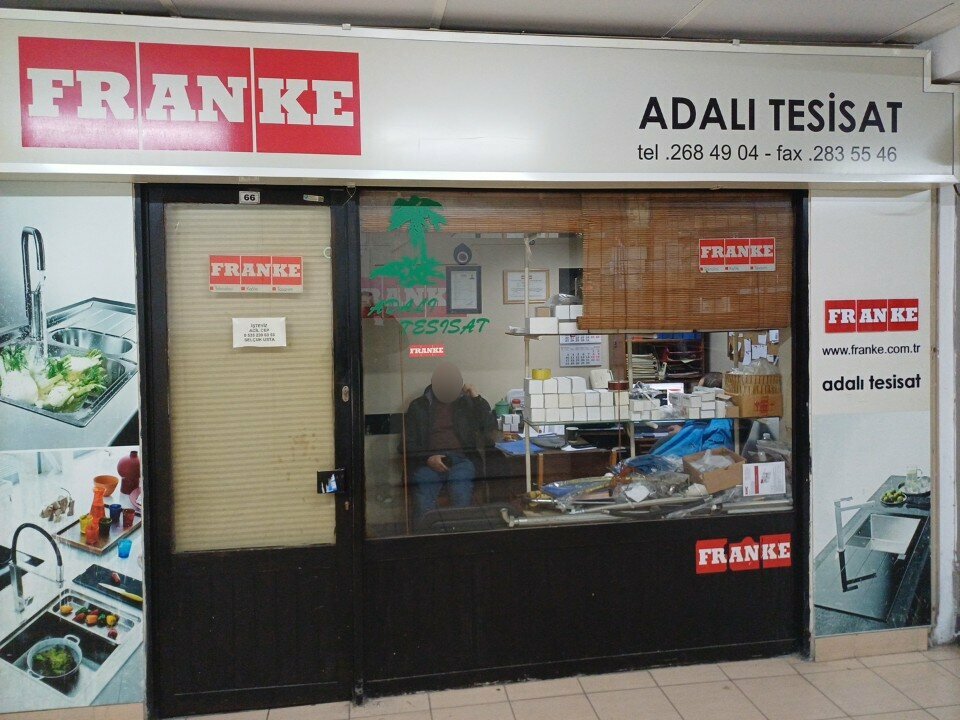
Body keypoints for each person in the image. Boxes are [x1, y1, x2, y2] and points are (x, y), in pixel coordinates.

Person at [404, 362, 496, 519]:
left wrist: (476, 397)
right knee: (423, 497)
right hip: (428, 461)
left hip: (461, 460)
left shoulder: (466, 403)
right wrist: (427, 459)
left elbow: (489, 425)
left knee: (460, 492)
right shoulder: (418, 406)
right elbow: (407, 444)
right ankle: (425, 533)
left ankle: (459, 533)